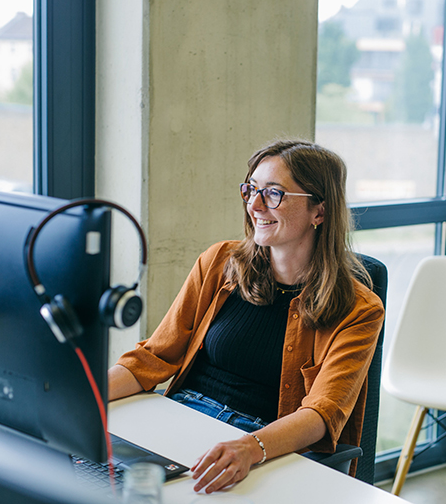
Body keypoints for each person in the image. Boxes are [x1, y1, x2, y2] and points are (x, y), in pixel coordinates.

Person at [108, 139, 384, 493]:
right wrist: (84, 394)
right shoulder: (219, 262)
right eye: (251, 189)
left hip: (261, 447)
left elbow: (322, 414)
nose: (254, 205)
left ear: (319, 212)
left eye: (274, 193)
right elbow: (154, 356)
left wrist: (250, 448)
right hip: (181, 418)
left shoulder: (360, 309)